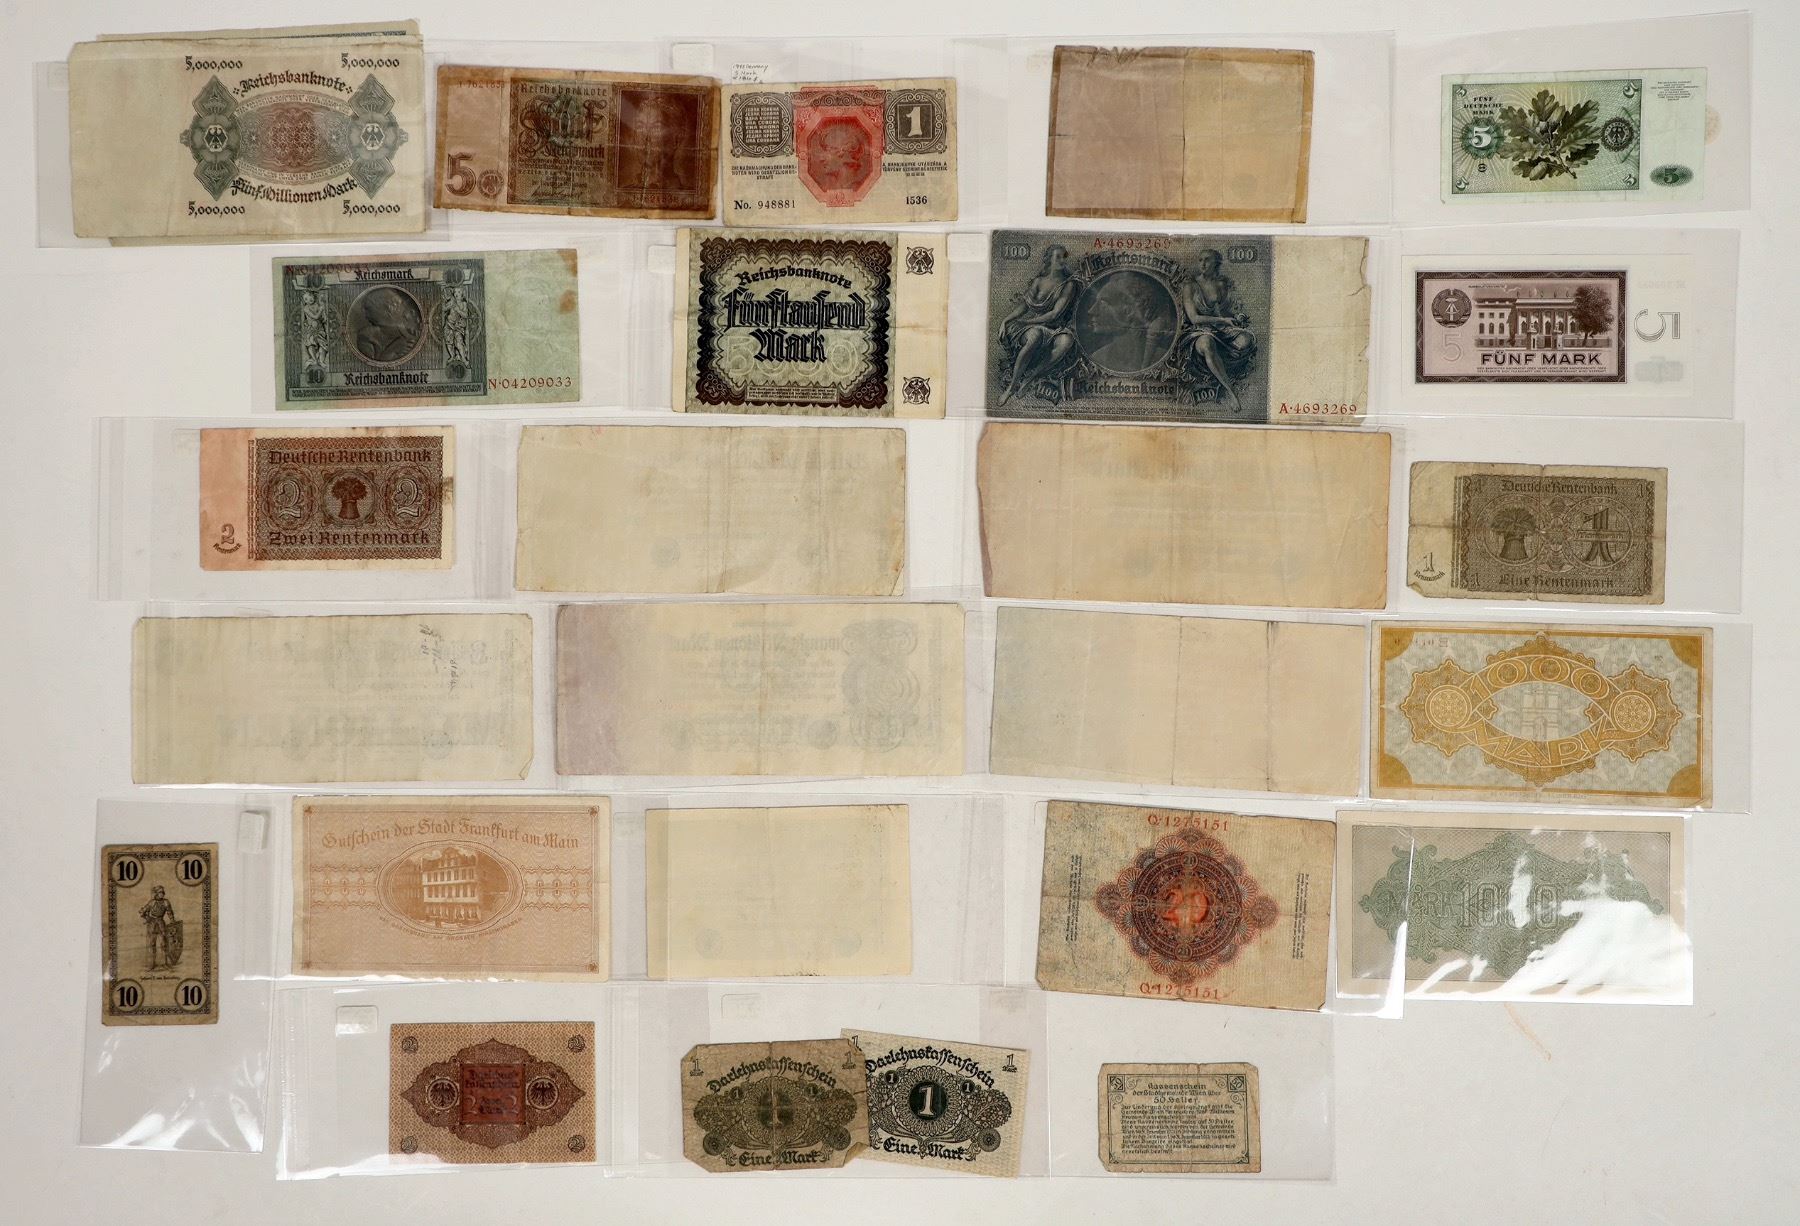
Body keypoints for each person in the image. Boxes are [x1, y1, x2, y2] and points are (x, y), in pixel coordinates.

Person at [1173, 249, 1256, 413]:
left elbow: (1224, 313)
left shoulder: (1220, 285)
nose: (1203, 264)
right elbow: (1194, 318)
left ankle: (1219, 370)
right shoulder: (1190, 286)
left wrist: (1236, 317)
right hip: (1196, 332)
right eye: (1200, 260)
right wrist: (1223, 321)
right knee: (1207, 343)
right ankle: (1230, 391)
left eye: (1207, 260)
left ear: (1216, 263)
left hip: (1219, 329)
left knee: (1246, 339)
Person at [994, 245, 1080, 406]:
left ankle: (1031, 376)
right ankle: (1012, 387)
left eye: (1064, 257)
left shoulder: (1068, 285)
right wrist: (1006, 320)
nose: (1062, 260)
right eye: (1058, 257)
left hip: (1054, 328)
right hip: (1033, 328)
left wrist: (1027, 322)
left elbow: (1055, 314)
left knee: (1067, 341)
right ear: (1049, 260)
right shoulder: (1038, 282)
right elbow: (1024, 306)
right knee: (1035, 336)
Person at [140, 885, 177, 971]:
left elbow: (170, 912)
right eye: (160, 892)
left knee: (164, 943)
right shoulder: (152, 902)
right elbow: (142, 911)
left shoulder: (166, 902)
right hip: (152, 924)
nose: (162, 894)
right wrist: (147, 918)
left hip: (161, 923)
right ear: (156, 893)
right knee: (152, 944)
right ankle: (151, 964)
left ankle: (165, 963)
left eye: (163, 892)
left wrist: (172, 920)